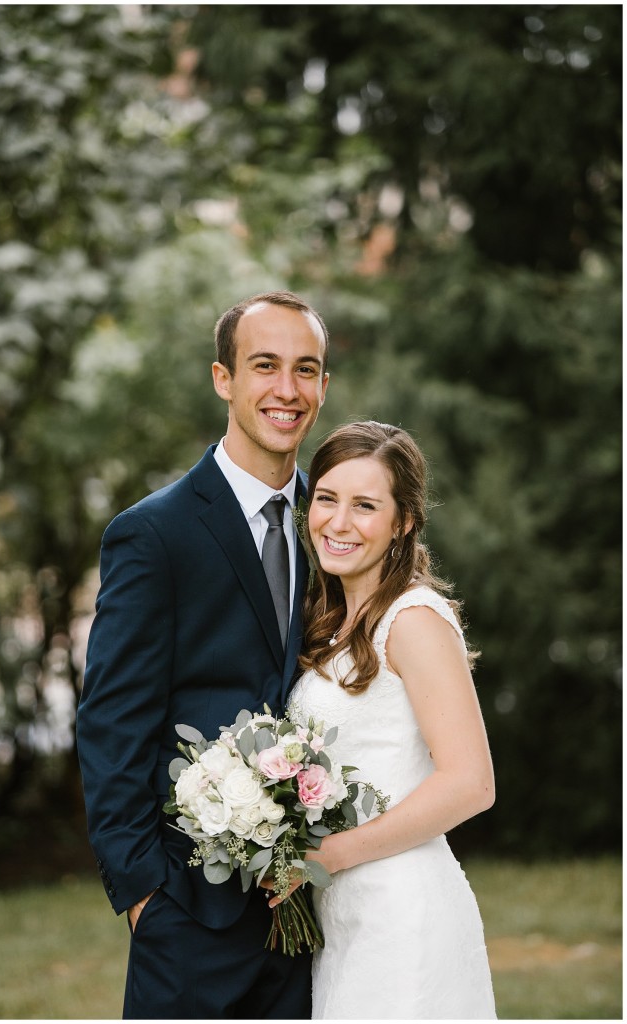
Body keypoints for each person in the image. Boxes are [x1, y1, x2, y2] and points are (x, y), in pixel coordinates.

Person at [76, 290, 330, 1020]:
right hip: (190, 915)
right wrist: (143, 897)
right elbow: (111, 722)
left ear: (322, 386)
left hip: (316, 916)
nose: (288, 390)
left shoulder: (334, 528)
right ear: (224, 379)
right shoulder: (154, 535)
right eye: (265, 366)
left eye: (306, 369)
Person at [282, 420, 497, 1019]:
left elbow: (471, 783)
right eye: (326, 498)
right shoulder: (333, 623)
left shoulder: (413, 619)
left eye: (365, 506)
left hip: (403, 915)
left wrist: (329, 857)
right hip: (347, 918)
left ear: (403, 521)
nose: (339, 522)